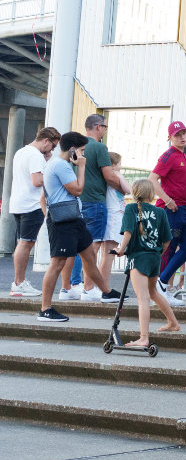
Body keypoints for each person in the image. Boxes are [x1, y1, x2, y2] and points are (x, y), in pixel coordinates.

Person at [37, 132, 112, 322]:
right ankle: (45, 308)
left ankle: (107, 292)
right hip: (64, 221)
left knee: (89, 256)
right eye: (81, 151)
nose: (83, 155)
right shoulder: (61, 165)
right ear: (72, 150)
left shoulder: (59, 164)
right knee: (57, 263)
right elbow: (78, 189)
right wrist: (82, 167)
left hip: (74, 219)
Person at [109, 179, 180, 345]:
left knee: (143, 298)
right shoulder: (160, 212)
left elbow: (128, 232)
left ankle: (144, 338)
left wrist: (120, 250)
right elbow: (167, 241)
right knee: (153, 292)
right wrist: (156, 252)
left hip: (139, 258)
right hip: (154, 257)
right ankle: (173, 322)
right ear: (151, 194)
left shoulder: (131, 208)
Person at [66, 114, 125, 302]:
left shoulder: (74, 147)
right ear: (98, 127)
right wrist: (123, 187)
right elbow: (109, 176)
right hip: (95, 201)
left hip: (76, 199)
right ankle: (89, 288)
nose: (105, 130)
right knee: (93, 245)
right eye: (105, 127)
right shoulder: (99, 147)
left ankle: (70, 287)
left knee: (75, 246)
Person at [151, 121, 186, 308]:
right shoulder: (168, 156)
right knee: (168, 249)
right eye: (178, 134)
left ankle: (161, 284)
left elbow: (184, 181)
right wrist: (168, 200)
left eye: (184, 133)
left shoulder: (184, 156)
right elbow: (152, 180)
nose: (182, 137)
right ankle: (160, 289)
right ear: (170, 137)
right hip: (170, 209)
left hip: (182, 209)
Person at [9, 127, 59, 298]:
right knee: (26, 243)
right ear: (46, 140)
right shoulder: (36, 155)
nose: (52, 150)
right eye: (53, 146)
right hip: (32, 204)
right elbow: (37, 181)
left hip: (18, 202)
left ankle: (19, 282)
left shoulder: (22, 151)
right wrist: (52, 171)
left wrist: (45, 161)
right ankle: (19, 283)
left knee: (23, 242)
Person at [97, 152, 129, 302]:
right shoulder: (114, 176)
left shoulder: (105, 178)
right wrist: (120, 175)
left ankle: (102, 287)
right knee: (109, 254)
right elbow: (129, 189)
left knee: (106, 254)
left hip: (112, 215)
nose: (121, 167)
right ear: (114, 165)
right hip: (115, 215)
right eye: (120, 163)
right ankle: (105, 289)